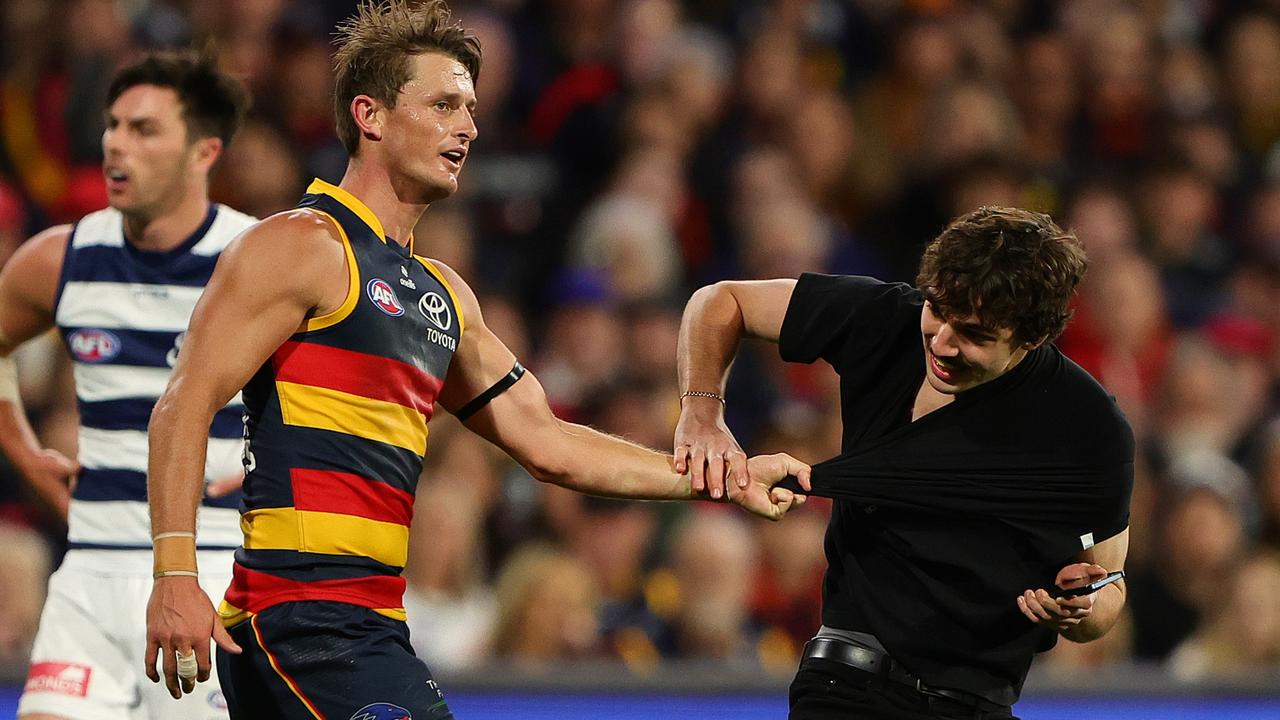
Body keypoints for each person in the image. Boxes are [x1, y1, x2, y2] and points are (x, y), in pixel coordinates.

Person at [141, 2, 809, 718]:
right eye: (443, 104)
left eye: (470, 108)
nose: (468, 126)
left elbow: (550, 443)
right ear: (370, 115)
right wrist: (175, 574)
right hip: (301, 619)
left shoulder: (442, 299)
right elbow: (185, 402)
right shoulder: (301, 245)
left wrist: (721, 479)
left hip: (369, 627)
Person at [675, 206, 1133, 719]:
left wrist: (1082, 609)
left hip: (979, 705)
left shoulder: (1089, 427)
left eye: (975, 334)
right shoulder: (884, 318)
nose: (941, 343)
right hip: (846, 687)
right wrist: (701, 413)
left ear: (1032, 337)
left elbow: (1107, 583)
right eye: (937, 310)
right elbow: (720, 301)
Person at [0, 52, 254, 720]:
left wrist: (297, 478)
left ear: (204, 152)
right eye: (113, 124)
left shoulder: (259, 262)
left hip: (218, 571)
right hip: (89, 570)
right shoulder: (61, 258)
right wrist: (24, 451)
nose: (115, 141)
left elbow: (386, 382)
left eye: (143, 129)